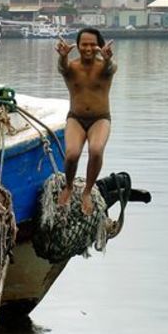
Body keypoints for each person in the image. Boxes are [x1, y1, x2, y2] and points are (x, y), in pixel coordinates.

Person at [56, 28, 116, 214]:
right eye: (84, 44)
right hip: (76, 118)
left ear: (99, 46)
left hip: (100, 118)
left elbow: (111, 67)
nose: (88, 48)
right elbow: (62, 68)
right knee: (72, 154)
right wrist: (62, 57)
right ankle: (68, 185)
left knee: (96, 150)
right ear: (78, 46)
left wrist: (107, 58)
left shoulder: (105, 68)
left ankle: (88, 191)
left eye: (92, 44)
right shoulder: (72, 67)